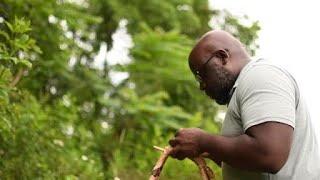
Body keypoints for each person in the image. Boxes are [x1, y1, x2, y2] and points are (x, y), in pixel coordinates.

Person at [168, 30, 320, 179]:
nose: (201, 86)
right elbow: (252, 163)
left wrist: (204, 141)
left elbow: (269, 155)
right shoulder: (243, 88)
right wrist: (209, 150)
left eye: (201, 75)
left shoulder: (260, 75)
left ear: (222, 57)